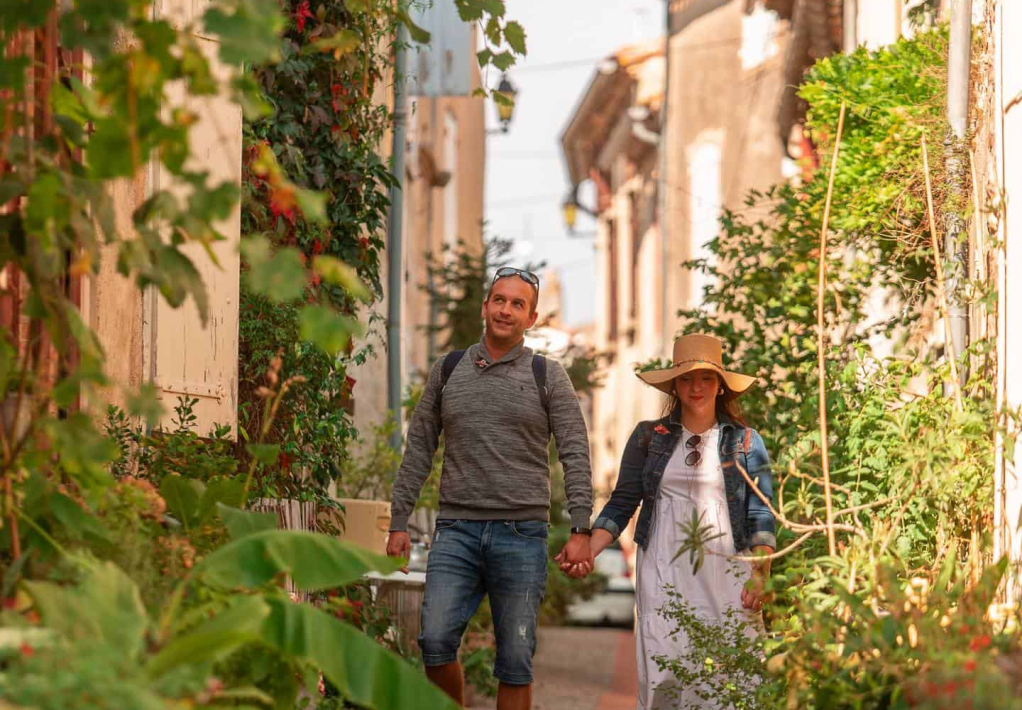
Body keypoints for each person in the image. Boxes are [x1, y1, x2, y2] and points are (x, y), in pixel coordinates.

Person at [387, 267, 595, 710]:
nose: (505, 310)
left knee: (515, 658)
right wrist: (399, 520)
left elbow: (576, 452)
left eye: (517, 304)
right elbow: (420, 446)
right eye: (499, 300)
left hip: (521, 535)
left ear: (531, 318)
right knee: (434, 641)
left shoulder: (548, 376)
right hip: (457, 531)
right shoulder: (448, 369)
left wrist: (581, 529)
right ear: (486, 307)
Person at [569, 333, 775, 709]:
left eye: (706, 378)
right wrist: (590, 550)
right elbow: (622, 502)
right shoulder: (650, 437)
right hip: (663, 565)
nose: (696, 387)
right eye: (686, 378)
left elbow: (762, 514)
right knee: (665, 671)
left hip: (729, 569)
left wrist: (761, 573)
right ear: (675, 385)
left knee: (731, 671)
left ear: (720, 385)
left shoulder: (746, 442)